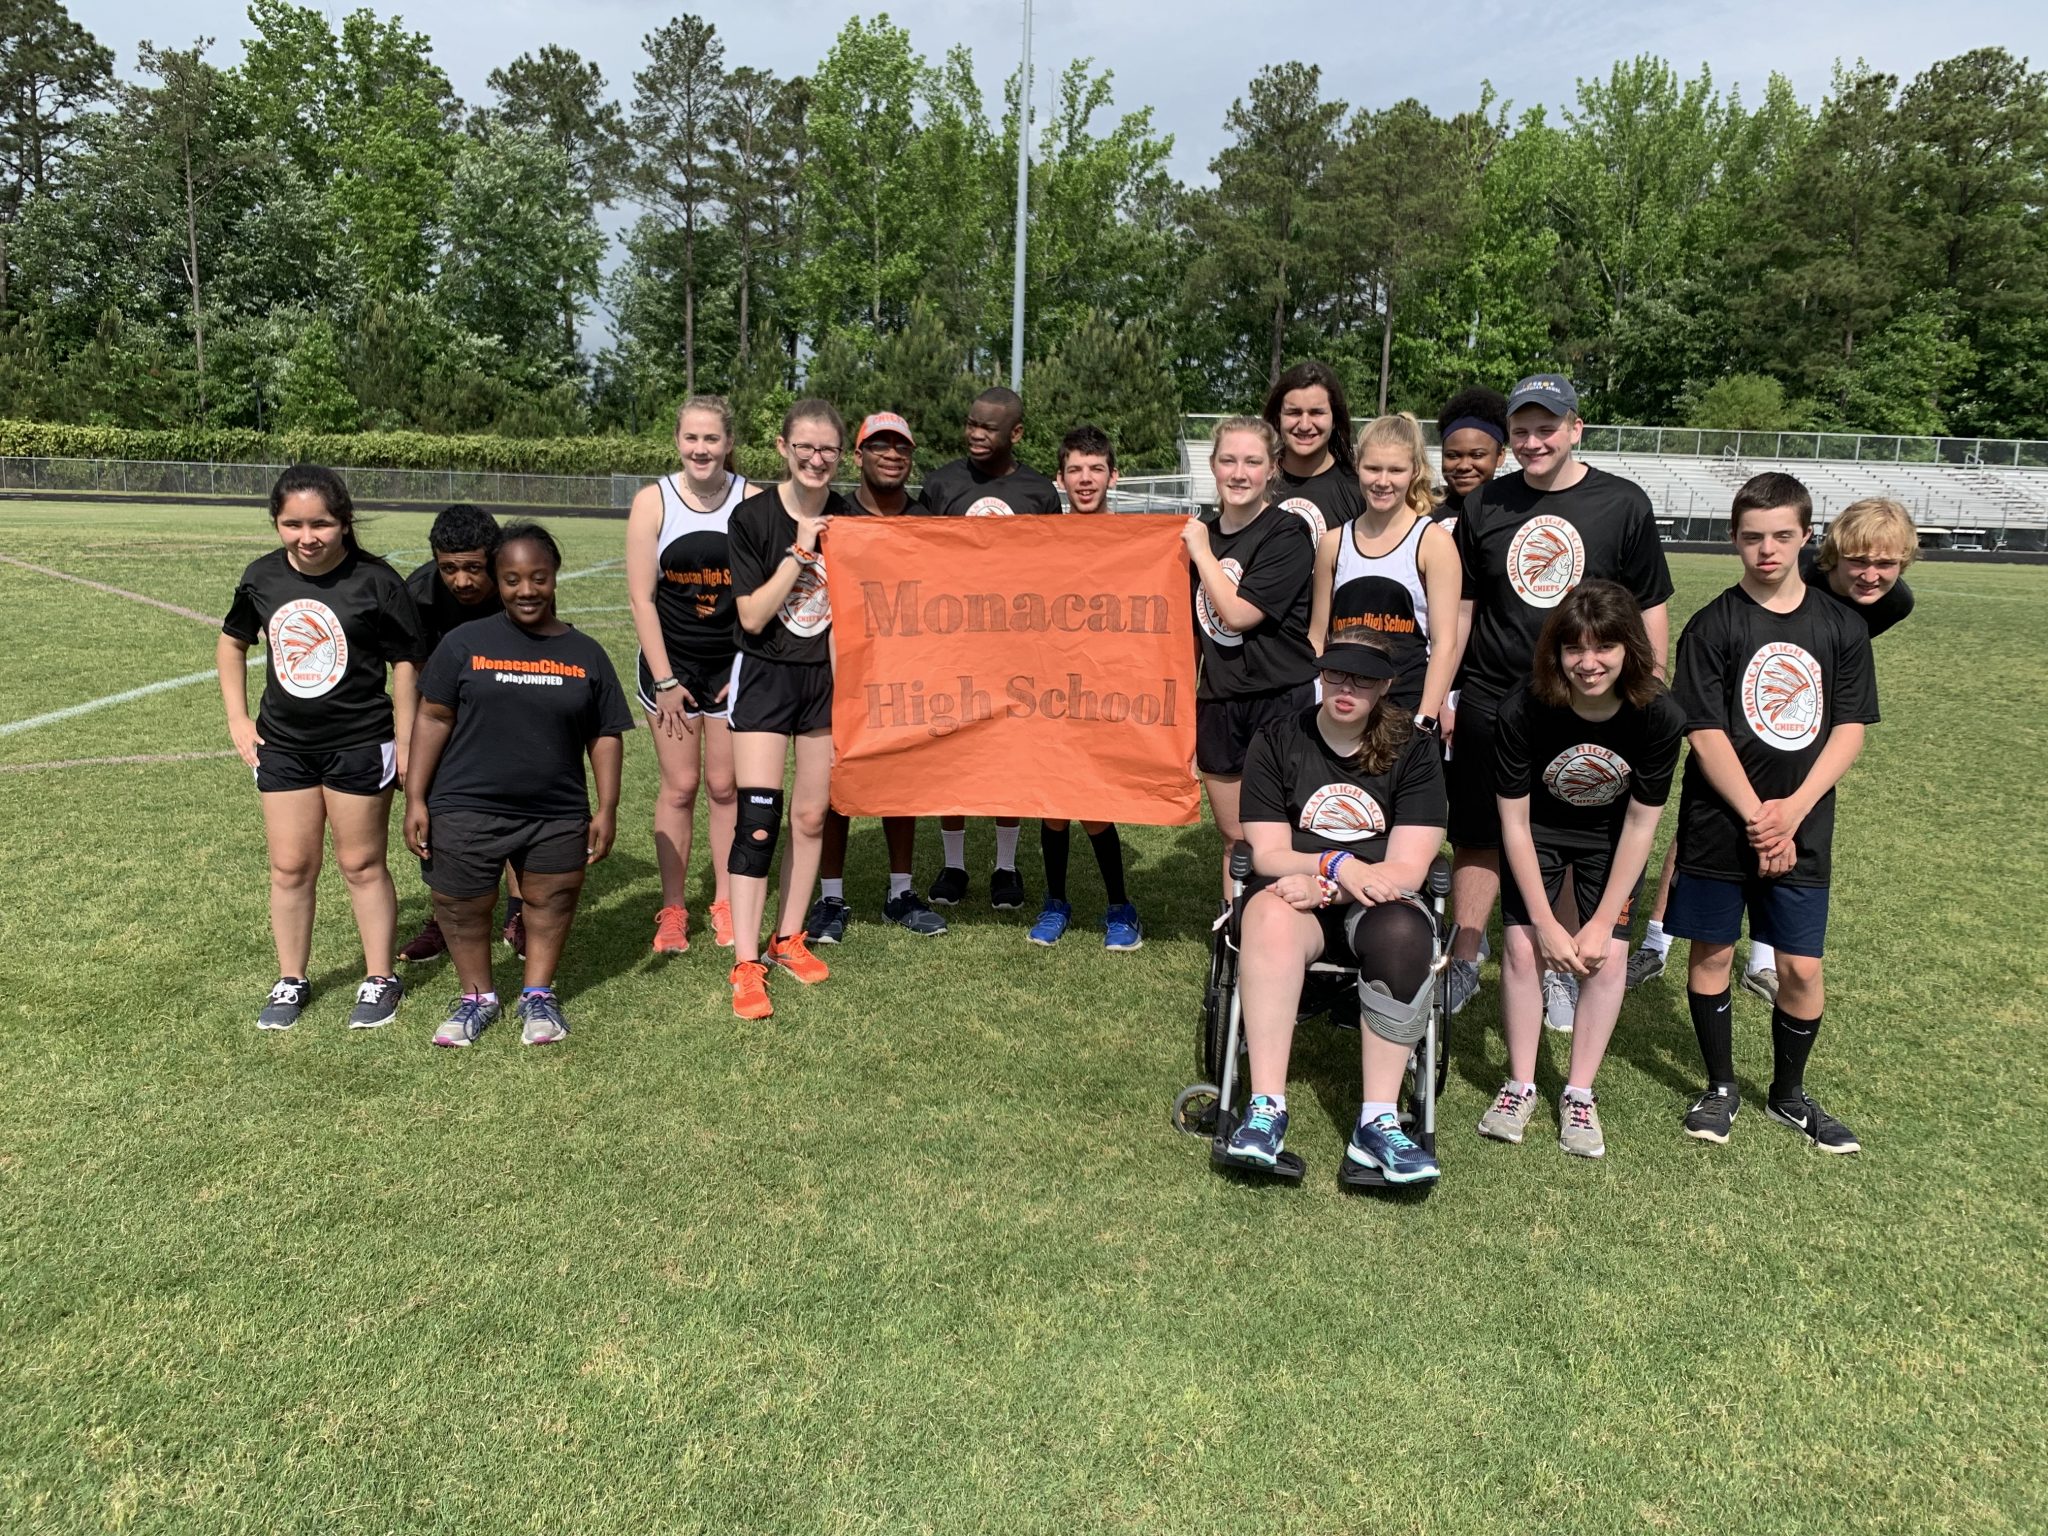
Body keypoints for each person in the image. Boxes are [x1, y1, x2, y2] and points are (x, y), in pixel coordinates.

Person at [1443, 374, 1673, 1024]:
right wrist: (1449, 693)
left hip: (1588, 706)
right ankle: (1465, 956)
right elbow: (1464, 611)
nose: (1534, 441)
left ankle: (1561, 967)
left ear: (1576, 429)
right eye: (1522, 430)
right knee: (1480, 834)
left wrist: (1647, 695)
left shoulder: (1622, 503)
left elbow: (1649, 608)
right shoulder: (1485, 504)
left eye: (1548, 428)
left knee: (1573, 836)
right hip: (1494, 698)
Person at [1628, 496, 1917, 992]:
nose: (1870, 575)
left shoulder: (1892, 601)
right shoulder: (1788, 566)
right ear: (1826, 551)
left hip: (1801, 711)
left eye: (1885, 564)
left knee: (1790, 813)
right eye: (1858, 562)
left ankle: (1762, 955)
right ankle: (1657, 940)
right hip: (1747, 703)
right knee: (1711, 817)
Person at [1669, 473, 1878, 1154]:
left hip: (1804, 823)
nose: (1767, 550)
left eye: (1782, 536)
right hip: (1720, 823)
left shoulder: (1840, 624)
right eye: (1753, 537)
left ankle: (1789, 1094)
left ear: (1806, 538)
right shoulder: (1711, 626)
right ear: (1734, 539)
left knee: (1802, 968)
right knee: (1713, 954)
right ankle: (1720, 1085)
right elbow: (1703, 731)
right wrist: (1761, 816)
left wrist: (1792, 812)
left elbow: (1849, 728)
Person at [1218, 637, 1450, 1183]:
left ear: (1387, 686)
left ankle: (1379, 1122)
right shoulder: (1278, 739)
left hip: (1373, 900)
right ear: (1320, 674)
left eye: (1364, 680)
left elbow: (1410, 870)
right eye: (1337, 676)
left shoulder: (1413, 750)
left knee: (1403, 931)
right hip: (1292, 896)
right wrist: (1335, 861)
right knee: (1269, 914)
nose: (1347, 689)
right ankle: (1264, 1109)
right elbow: (1267, 852)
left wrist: (1333, 886)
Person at [403, 522, 630, 1047]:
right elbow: (433, 718)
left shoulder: (586, 653)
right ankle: (476, 998)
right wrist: (416, 796)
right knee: (461, 904)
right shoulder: (464, 643)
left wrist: (607, 806)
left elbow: (605, 734)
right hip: (465, 804)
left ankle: (538, 996)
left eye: (538, 578)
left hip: (555, 809)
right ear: (497, 582)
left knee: (550, 901)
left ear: (554, 577)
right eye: (512, 579)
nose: (526, 590)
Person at [217, 464, 426, 1031]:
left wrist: (404, 742)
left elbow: (406, 662)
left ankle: (380, 977)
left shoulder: (378, 581)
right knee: (289, 867)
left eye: (320, 524)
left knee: (360, 863)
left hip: (359, 743)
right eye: (292, 524)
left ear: (343, 522)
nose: (306, 537)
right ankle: (291, 980)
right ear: (276, 524)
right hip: (284, 747)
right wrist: (238, 718)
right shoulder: (261, 577)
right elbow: (232, 642)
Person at [1480, 580, 1684, 1157]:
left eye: (1604, 648)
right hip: (1537, 832)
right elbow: (1514, 826)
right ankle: (1519, 1084)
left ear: (1630, 650)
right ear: (1556, 652)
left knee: (1608, 955)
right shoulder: (1522, 708)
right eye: (1574, 649)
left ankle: (1579, 1093)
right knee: (1522, 949)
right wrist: (1546, 924)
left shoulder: (1659, 714)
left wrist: (1598, 924)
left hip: (1610, 838)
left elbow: (1643, 825)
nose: (1588, 664)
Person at [724, 399, 868, 1020]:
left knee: (811, 818)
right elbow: (753, 615)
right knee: (759, 818)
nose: (816, 459)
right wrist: (802, 551)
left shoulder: (854, 520)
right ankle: (746, 963)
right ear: (782, 447)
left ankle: (788, 939)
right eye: (805, 447)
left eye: (828, 449)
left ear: (842, 455)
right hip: (765, 677)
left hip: (824, 685)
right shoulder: (753, 518)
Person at [918, 386, 1063, 911]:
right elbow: (911, 558)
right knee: (952, 752)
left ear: (1016, 433)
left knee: (1008, 754)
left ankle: (1006, 866)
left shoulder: (1039, 493)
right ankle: (953, 865)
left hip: (1015, 647)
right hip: (952, 644)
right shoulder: (941, 484)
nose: (977, 434)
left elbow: (1055, 569)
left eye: (990, 427)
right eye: (971, 423)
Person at [806, 411, 949, 943]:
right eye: (879, 446)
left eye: (901, 447)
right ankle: (831, 897)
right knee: (834, 779)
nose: (892, 455)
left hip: (908, 666)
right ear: (858, 455)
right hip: (840, 665)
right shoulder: (833, 519)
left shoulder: (927, 520)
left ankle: (900, 892)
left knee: (901, 779)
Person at [625, 396, 751, 958]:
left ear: (729, 443)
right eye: (691, 439)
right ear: (677, 440)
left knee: (726, 788)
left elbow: (764, 598)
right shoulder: (653, 501)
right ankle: (674, 908)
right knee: (680, 787)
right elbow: (641, 598)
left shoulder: (753, 500)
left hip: (730, 667)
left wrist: (744, 664)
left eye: (712, 439)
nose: (701, 449)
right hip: (669, 665)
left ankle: (725, 901)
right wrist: (666, 679)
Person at [1185, 416, 1319, 896]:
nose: (1239, 473)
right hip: (1220, 703)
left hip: (1280, 701)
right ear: (1213, 466)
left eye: (1252, 461)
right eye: (1228, 460)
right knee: (1235, 838)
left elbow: (1239, 614)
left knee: (1286, 834)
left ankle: (1293, 936)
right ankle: (1232, 940)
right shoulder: (1198, 534)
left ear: (1272, 468)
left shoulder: (1286, 534)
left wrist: (1202, 554)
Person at [1028, 424, 1144, 950]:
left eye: (1096, 468)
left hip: (1106, 688)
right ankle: (1056, 902)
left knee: (1095, 807)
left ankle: (1120, 906)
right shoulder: (1040, 538)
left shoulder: (1137, 542)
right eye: (1075, 469)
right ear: (1060, 478)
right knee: (1052, 802)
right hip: (1048, 686)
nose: (1085, 478)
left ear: (1113, 476)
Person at [397, 504, 505, 965]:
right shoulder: (419, 593)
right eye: (450, 569)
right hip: (442, 714)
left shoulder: (515, 580)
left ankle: (518, 912)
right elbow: (410, 669)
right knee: (440, 816)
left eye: (473, 568)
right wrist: (407, 744)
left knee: (518, 812)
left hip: (507, 708)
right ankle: (443, 918)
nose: (462, 581)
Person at [1309, 412, 1462, 731]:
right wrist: (1316, 702)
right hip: (1341, 711)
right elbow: (1318, 635)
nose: (1382, 481)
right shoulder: (1333, 543)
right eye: (1373, 468)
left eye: (1395, 470)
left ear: (1414, 471)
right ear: (1357, 466)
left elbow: (1445, 644)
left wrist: (1426, 718)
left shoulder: (1433, 543)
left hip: (1405, 711)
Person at [1262, 360, 1361, 540]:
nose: (1305, 425)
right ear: (1278, 418)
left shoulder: (1358, 492)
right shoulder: (1257, 486)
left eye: (1316, 412)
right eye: (1294, 412)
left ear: (1334, 419)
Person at [1432, 387, 1510, 532]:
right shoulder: (1422, 506)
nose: (1464, 466)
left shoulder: (1512, 510)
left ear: (1500, 456)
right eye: (1453, 455)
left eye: (1477, 455)